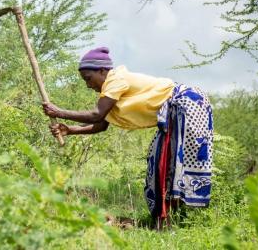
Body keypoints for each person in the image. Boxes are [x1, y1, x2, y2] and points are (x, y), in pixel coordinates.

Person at [42, 46, 213, 228]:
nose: (88, 85)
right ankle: (166, 221)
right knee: (160, 163)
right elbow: (101, 125)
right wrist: (71, 130)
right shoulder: (110, 90)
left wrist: (59, 112)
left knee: (172, 163)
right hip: (174, 112)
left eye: (88, 79)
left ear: (102, 71)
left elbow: (97, 115)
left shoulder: (116, 79)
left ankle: (175, 222)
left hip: (188, 104)